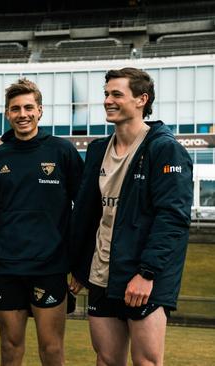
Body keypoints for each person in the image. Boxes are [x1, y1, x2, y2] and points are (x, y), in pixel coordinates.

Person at [70, 67, 193, 366]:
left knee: (146, 362)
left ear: (141, 99)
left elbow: (172, 218)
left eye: (117, 94)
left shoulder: (164, 149)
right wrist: (78, 265)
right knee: (107, 359)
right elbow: (88, 213)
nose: (108, 100)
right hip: (102, 275)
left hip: (141, 277)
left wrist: (147, 273)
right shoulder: (99, 149)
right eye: (106, 94)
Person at [0, 78, 84, 366]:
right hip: (6, 267)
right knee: (10, 350)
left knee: (52, 351)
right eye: (15, 109)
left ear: (40, 111)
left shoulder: (62, 152)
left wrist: (78, 264)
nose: (22, 114)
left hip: (49, 267)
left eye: (29, 107)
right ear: (7, 114)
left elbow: (84, 210)